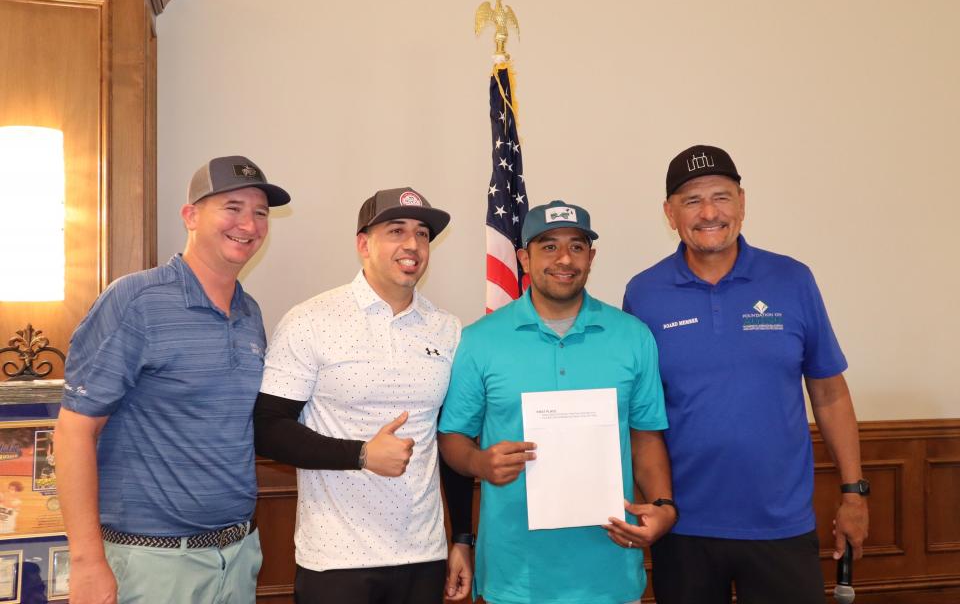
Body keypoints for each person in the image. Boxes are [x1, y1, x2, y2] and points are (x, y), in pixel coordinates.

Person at [622, 144, 869, 604]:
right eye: (692, 201)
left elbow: (829, 392)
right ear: (669, 213)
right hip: (685, 527)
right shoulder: (644, 294)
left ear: (742, 202)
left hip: (782, 524)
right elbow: (642, 416)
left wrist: (854, 492)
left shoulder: (793, 280)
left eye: (722, 196)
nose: (709, 212)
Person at [54, 156, 290, 604]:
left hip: (237, 556)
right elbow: (73, 431)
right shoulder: (136, 300)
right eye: (233, 207)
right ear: (191, 215)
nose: (249, 223)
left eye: (261, 213)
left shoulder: (249, 312)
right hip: (150, 564)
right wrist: (87, 562)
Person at [439, 200, 675, 604]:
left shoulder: (632, 336)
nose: (564, 258)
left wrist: (663, 506)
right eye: (548, 246)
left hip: (610, 570)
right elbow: (452, 438)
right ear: (523, 258)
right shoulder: (479, 340)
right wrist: (479, 462)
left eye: (577, 246)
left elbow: (645, 436)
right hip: (517, 576)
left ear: (591, 257)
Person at [254, 187, 474, 604]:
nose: (412, 245)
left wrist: (462, 536)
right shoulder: (310, 320)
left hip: (423, 555)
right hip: (335, 560)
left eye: (422, 234)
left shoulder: (447, 329)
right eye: (396, 230)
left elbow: (449, 439)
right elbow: (267, 429)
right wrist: (361, 455)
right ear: (363, 244)